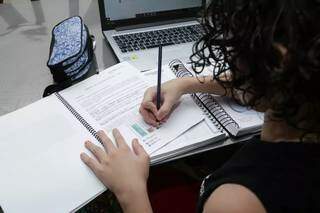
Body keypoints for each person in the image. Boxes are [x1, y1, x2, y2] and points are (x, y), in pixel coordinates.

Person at [80, 0, 320, 212]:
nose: (231, 65)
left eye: (237, 49)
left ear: (275, 64)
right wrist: (185, 84)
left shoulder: (236, 202)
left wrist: (130, 193)